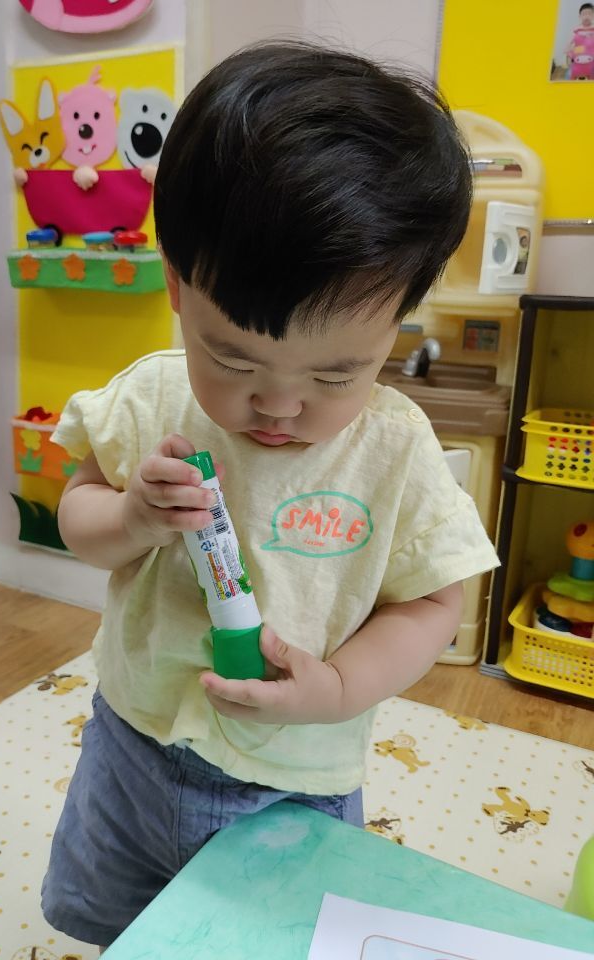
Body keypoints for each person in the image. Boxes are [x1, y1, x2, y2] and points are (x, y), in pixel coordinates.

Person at [41, 41, 499, 950]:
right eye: (233, 359)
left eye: (336, 374)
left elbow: (432, 604)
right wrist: (128, 518)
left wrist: (339, 687)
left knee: (274, 941)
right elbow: (78, 518)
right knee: (118, 928)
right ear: (178, 287)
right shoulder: (150, 398)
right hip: (132, 743)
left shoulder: (396, 449)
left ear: (397, 321)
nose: (280, 406)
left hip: (296, 778)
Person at [567, 3, 594, 79]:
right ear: (580, 16)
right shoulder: (576, 30)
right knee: (572, 76)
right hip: (578, 60)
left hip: (591, 63)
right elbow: (570, 45)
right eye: (584, 14)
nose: (586, 16)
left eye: (589, 14)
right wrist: (569, 55)